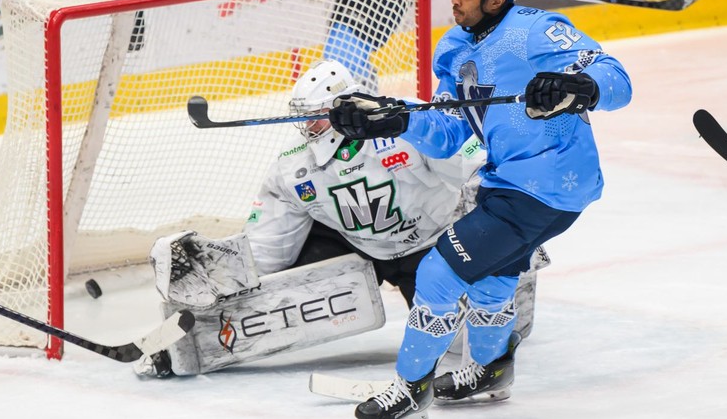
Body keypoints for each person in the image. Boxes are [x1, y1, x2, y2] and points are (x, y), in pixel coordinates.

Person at [327, 0, 632, 417]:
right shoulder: (452, 48)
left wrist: (581, 87)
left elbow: (617, 79)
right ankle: (491, 371)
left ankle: (411, 388)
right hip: (506, 182)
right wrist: (397, 118)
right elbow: (450, 131)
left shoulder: (536, 31)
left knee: (437, 271)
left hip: (547, 184)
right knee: (492, 276)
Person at [135, 60, 543, 378]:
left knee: (462, 346)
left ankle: (514, 289)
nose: (305, 129)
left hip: (431, 243)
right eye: (301, 118)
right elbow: (269, 249)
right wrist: (223, 272)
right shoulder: (294, 167)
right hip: (353, 244)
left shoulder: (408, 122)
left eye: (312, 117)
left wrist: (506, 228)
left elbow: (476, 167)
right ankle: (179, 347)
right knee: (272, 297)